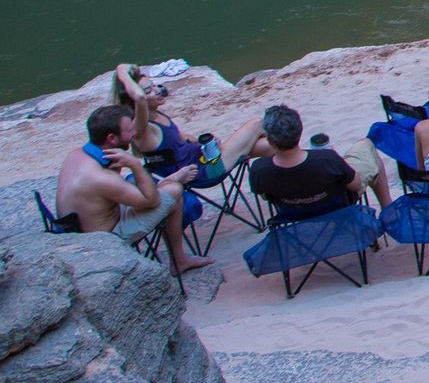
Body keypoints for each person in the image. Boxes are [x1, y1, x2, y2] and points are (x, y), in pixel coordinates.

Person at [54, 105, 212, 274]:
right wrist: (135, 164)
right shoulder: (101, 178)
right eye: (129, 131)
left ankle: (179, 259)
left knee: (157, 190)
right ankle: (179, 262)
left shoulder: (76, 154)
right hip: (105, 238)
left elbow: (116, 192)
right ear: (112, 138)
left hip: (81, 229)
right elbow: (152, 201)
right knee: (175, 191)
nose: (134, 134)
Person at [246, 104, 394, 218]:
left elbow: (266, 197)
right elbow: (355, 186)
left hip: (293, 215)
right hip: (335, 206)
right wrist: (341, 165)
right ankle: (388, 211)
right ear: (300, 131)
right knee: (366, 145)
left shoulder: (259, 170)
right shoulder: (327, 159)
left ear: (270, 141)